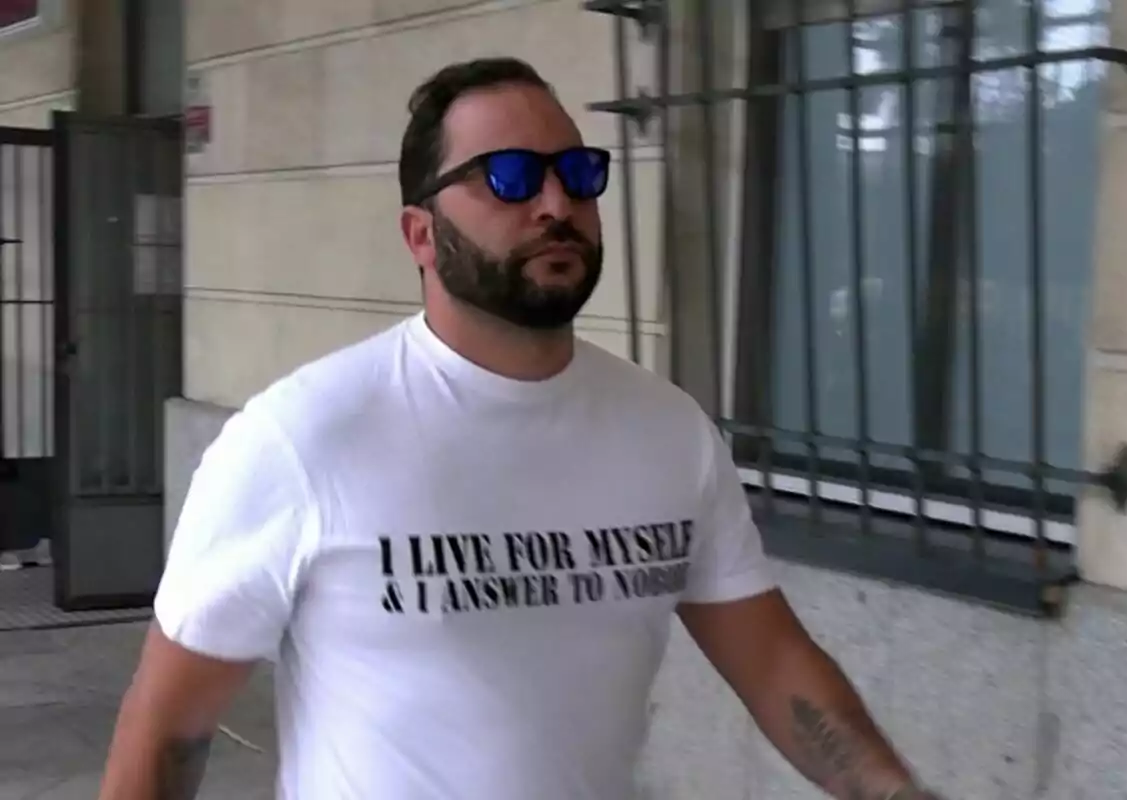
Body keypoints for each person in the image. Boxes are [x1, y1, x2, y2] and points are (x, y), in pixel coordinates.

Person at [97, 57, 945, 800]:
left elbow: (772, 666)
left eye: (577, 171)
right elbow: (168, 730)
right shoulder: (301, 438)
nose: (556, 202)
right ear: (420, 235)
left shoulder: (667, 431)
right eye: (509, 175)